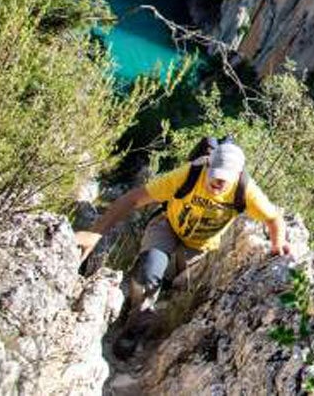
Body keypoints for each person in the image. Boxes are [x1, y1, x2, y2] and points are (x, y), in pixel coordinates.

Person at [74, 136, 289, 357]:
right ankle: (133, 326)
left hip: (199, 247)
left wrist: (277, 244)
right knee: (149, 270)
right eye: (214, 175)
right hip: (167, 226)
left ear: (237, 176)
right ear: (208, 165)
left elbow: (274, 219)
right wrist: (95, 233)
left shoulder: (246, 190)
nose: (217, 183)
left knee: (175, 289)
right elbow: (132, 199)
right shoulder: (189, 174)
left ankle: (146, 314)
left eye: (224, 180)